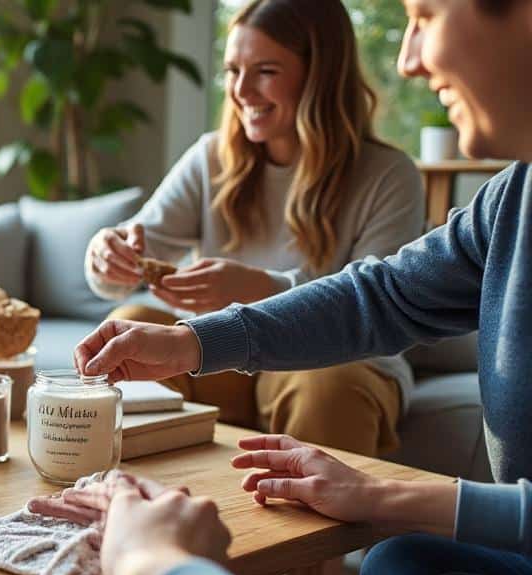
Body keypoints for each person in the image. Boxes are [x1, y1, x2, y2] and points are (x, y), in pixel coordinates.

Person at [51, 0, 532, 575]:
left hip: (341, 380)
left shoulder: (385, 172)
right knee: (400, 563)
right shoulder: (513, 197)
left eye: (425, 14)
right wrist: (189, 341)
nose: (407, 59)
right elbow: (382, 294)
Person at [86, 0, 423, 459]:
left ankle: (326, 531)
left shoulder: (388, 175)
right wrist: (108, 256)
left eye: (265, 71)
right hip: (218, 355)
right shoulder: (211, 158)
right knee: (128, 328)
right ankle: (122, 512)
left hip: (334, 361)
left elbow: (383, 307)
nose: (241, 90)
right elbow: (122, 265)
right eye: (232, 71)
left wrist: (264, 288)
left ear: (320, 76)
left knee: (326, 385)